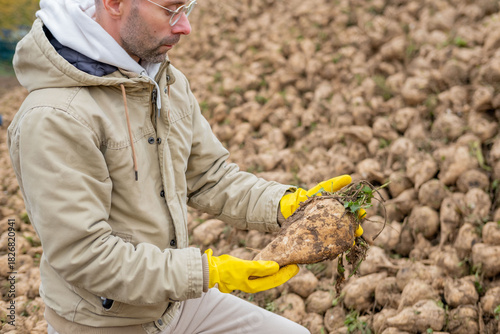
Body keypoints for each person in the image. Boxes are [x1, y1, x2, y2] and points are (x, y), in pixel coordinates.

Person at [8, 0, 363, 333]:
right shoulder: (54, 118)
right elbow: (86, 255)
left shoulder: (161, 79)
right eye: (171, 9)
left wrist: (290, 206)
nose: (186, 26)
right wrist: (208, 272)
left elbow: (210, 177)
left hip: (174, 304)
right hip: (104, 323)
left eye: (186, 7)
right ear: (114, 2)